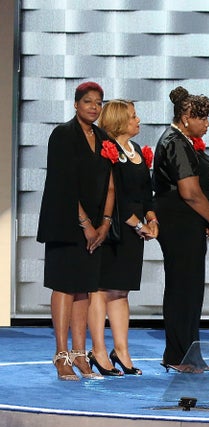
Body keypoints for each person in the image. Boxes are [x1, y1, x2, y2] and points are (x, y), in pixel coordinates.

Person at [37, 81, 112, 380]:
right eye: (87, 102)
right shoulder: (63, 135)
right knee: (65, 286)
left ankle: (81, 355)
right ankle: (61, 355)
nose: (93, 107)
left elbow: (110, 184)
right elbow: (62, 184)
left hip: (96, 227)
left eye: (98, 102)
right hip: (65, 222)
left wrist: (104, 224)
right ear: (76, 104)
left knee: (84, 288)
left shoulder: (104, 138)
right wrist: (86, 225)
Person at [153, 86, 209, 372]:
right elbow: (190, 192)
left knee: (189, 288)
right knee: (184, 288)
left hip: (187, 222)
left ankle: (186, 353)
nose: (207, 124)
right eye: (203, 119)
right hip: (179, 222)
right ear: (185, 117)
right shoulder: (175, 142)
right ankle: (178, 355)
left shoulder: (184, 141)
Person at [88, 100, 158, 376]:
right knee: (102, 290)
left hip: (135, 230)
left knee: (121, 291)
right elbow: (113, 194)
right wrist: (137, 223)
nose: (138, 120)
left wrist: (151, 219)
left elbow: (144, 191)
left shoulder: (136, 150)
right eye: (133, 116)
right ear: (119, 120)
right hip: (115, 228)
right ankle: (99, 352)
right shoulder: (108, 151)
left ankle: (122, 351)